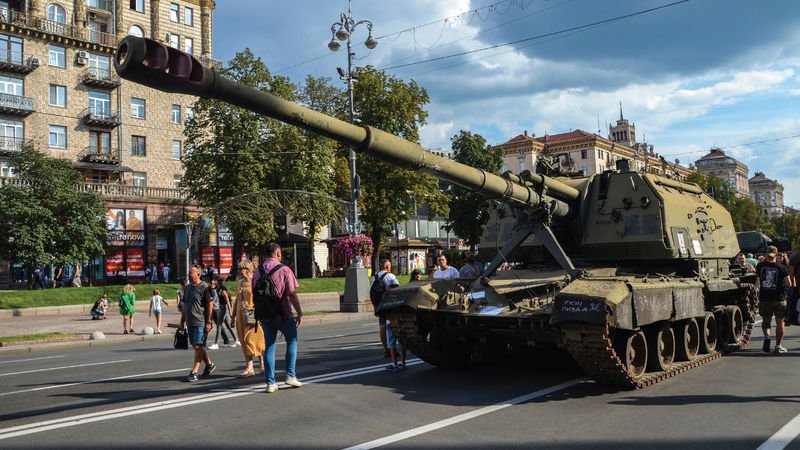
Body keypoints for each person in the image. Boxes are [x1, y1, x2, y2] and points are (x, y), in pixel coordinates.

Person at [253, 243, 303, 393]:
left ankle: (270, 383)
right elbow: (292, 294)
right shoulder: (284, 270)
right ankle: (290, 375)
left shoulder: (257, 271)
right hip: (283, 313)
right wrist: (299, 312)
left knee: (269, 346)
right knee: (292, 340)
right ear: (277, 253)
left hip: (265, 315)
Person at [180, 265, 215, 382]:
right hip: (190, 321)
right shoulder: (187, 288)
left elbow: (210, 304)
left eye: (191, 273)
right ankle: (209, 365)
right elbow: (185, 305)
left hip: (201, 321)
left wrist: (209, 321)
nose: (189, 275)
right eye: (189, 273)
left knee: (198, 346)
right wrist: (182, 321)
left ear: (198, 274)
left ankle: (194, 372)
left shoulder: (205, 287)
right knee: (197, 346)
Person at [230, 259, 265, 377]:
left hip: (253, 315)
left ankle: (262, 364)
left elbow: (260, 298)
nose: (240, 271)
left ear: (248, 269)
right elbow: (236, 301)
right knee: (244, 340)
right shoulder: (240, 282)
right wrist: (233, 316)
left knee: (254, 339)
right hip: (241, 316)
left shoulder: (255, 281)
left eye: (242, 269)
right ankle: (249, 367)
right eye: (239, 269)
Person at [756, 245, 790, 353]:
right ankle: (778, 345)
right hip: (779, 298)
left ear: (766, 254)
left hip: (765, 298)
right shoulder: (782, 267)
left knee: (766, 321)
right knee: (780, 322)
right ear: (776, 254)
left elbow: (756, 280)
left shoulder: (760, 266)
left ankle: (767, 337)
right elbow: (788, 283)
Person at [373, 259, 400, 359]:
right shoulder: (390, 276)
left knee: (382, 326)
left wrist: (375, 307)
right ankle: (392, 348)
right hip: (389, 305)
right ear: (388, 267)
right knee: (391, 327)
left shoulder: (375, 277)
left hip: (379, 305)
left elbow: (373, 294)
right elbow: (397, 289)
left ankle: (385, 349)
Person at [208, 279, 237, 349]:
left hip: (224, 308)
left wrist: (230, 311)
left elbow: (227, 300)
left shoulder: (223, 290)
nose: (215, 283)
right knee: (228, 325)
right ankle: (237, 340)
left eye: (216, 282)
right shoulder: (219, 290)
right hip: (222, 307)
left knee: (219, 325)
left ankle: (216, 343)